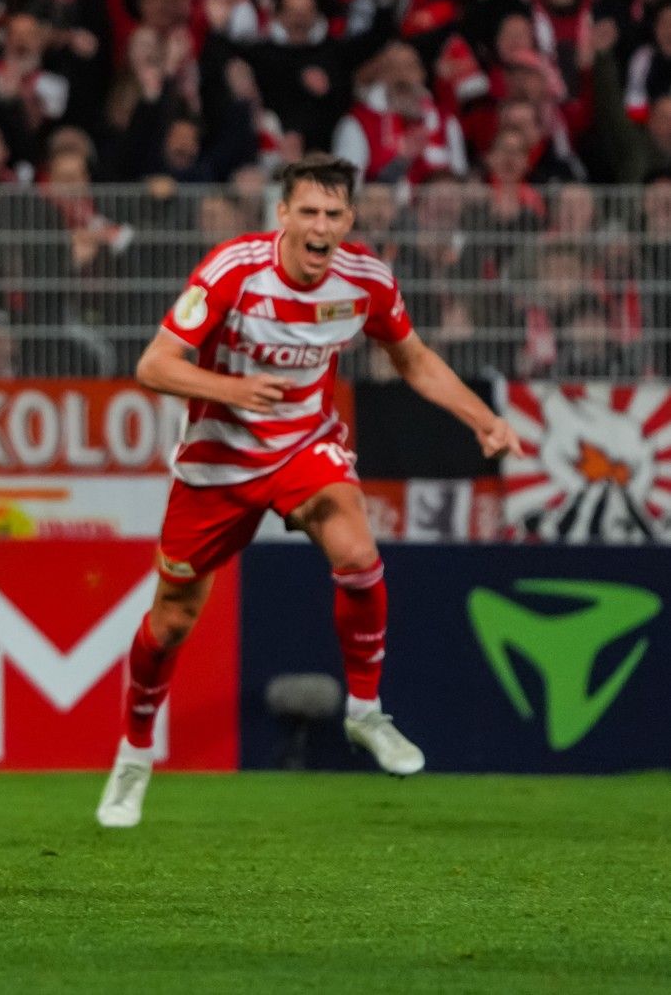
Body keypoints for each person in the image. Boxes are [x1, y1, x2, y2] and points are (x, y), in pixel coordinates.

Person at [96, 155, 522, 828]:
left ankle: (364, 711)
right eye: (309, 212)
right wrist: (234, 391)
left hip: (303, 446)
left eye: (333, 214)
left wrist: (484, 418)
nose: (320, 226)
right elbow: (154, 364)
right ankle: (135, 751)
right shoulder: (233, 269)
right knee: (172, 619)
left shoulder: (366, 281)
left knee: (357, 552)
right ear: (283, 214)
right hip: (218, 461)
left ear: (348, 220)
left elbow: (412, 357)